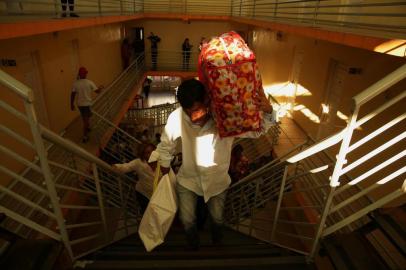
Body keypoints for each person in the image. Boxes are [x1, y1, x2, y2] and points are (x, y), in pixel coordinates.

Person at [150, 79, 273, 250]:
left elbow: (258, 131)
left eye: (197, 110)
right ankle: (193, 246)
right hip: (188, 180)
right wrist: (163, 169)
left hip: (218, 182)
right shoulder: (177, 116)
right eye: (188, 112)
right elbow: (166, 145)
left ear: (207, 101)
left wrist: (268, 112)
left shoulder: (228, 117)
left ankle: (217, 243)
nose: (193, 117)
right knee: (187, 220)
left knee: (217, 219)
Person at [113, 143, 156, 214]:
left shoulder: (160, 161)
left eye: (153, 151)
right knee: (147, 213)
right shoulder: (138, 162)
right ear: (143, 155)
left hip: (155, 194)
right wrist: (116, 167)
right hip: (143, 193)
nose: (152, 154)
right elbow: (127, 166)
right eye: (148, 152)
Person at [70, 67, 103, 143]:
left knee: (85, 117)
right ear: (85, 74)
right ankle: (85, 136)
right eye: (85, 73)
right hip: (86, 105)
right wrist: (101, 88)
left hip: (80, 105)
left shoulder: (76, 83)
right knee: (86, 120)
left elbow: (72, 95)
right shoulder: (89, 82)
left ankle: (87, 127)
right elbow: (97, 91)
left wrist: (71, 105)